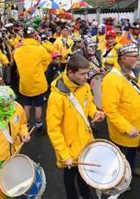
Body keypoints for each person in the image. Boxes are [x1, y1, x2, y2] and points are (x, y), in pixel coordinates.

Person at [47, 54, 105, 199]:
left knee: (84, 175)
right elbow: (54, 129)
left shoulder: (84, 86)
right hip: (69, 149)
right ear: (70, 73)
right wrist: (64, 154)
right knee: (69, 177)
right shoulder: (56, 97)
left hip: (85, 142)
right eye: (82, 74)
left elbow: (88, 104)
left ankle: (86, 196)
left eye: (87, 73)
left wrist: (95, 113)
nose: (86, 77)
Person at [102, 43, 140, 181]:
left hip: (138, 125)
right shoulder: (111, 80)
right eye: (135, 56)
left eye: (139, 56)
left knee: (133, 150)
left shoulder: (135, 73)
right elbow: (110, 111)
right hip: (124, 130)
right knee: (120, 157)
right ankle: (119, 179)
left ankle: (132, 167)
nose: (139, 59)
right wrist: (127, 128)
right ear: (123, 58)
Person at [14, 27, 51, 132]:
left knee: (27, 106)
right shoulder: (39, 49)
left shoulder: (18, 51)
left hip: (25, 83)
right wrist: (41, 69)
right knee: (38, 106)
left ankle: (27, 126)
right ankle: (39, 125)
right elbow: (48, 60)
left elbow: (14, 59)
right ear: (35, 36)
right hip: (38, 83)